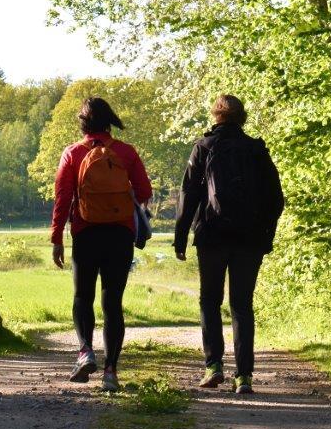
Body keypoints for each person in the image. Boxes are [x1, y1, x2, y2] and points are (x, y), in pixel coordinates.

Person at [174, 95, 284, 394]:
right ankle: (244, 377)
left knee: (209, 300)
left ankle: (213, 367)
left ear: (216, 116)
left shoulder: (203, 147)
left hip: (212, 235)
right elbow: (276, 199)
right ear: (242, 117)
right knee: (241, 306)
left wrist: (181, 236)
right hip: (249, 239)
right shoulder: (256, 150)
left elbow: (189, 195)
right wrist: (266, 235)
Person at [50, 97, 153, 392]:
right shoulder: (126, 152)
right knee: (113, 302)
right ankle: (111, 372)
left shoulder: (72, 154)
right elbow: (144, 191)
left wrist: (57, 238)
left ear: (83, 124)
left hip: (85, 232)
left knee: (83, 296)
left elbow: (62, 199)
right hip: (119, 234)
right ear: (109, 121)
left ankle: (85, 353)